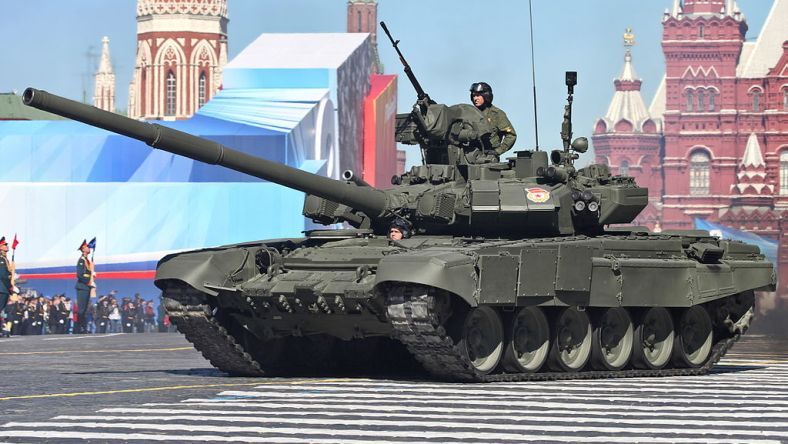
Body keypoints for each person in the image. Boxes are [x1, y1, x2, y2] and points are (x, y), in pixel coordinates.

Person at [470, 82, 517, 163]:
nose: (475, 98)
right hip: (470, 157)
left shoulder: (496, 114)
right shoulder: (469, 113)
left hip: (488, 159)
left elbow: (511, 135)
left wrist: (497, 151)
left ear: (486, 96)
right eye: (474, 95)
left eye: (478, 95)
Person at [75, 239, 95, 334]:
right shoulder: (81, 261)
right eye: (87, 246)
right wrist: (88, 280)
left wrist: (92, 275)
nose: (89, 248)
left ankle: (83, 327)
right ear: (83, 249)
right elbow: (79, 274)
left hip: (86, 287)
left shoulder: (87, 260)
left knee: (84, 310)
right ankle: (79, 328)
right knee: (81, 309)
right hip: (82, 286)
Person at [0, 237, 13, 319]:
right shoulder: (1, 259)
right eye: (5, 245)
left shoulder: (5, 258)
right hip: (2, 287)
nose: (7, 246)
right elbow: (3, 275)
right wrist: (10, 286)